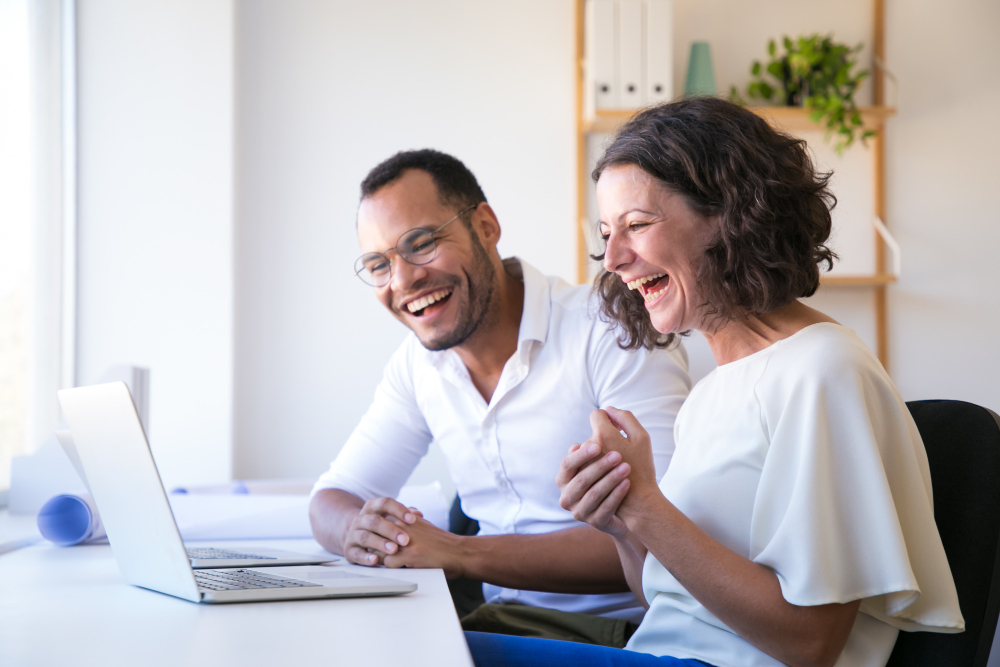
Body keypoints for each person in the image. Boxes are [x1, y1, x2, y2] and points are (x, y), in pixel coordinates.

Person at [465, 98, 964, 667]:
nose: (614, 259)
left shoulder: (822, 369)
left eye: (637, 225)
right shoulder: (710, 394)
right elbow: (667, 605)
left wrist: (649, 510)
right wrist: (624, 522)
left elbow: (810, 643)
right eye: (607, 232)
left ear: (730, 214)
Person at [309, 149, 691, 636]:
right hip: (494, 623)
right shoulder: (417, 364)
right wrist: (359, 532)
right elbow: (331, 499)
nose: (402, 279)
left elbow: (669, 533)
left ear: (485, 225)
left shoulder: (609, 327)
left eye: (421, 243)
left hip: (618, 633)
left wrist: (459, 554)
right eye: (378, 265)